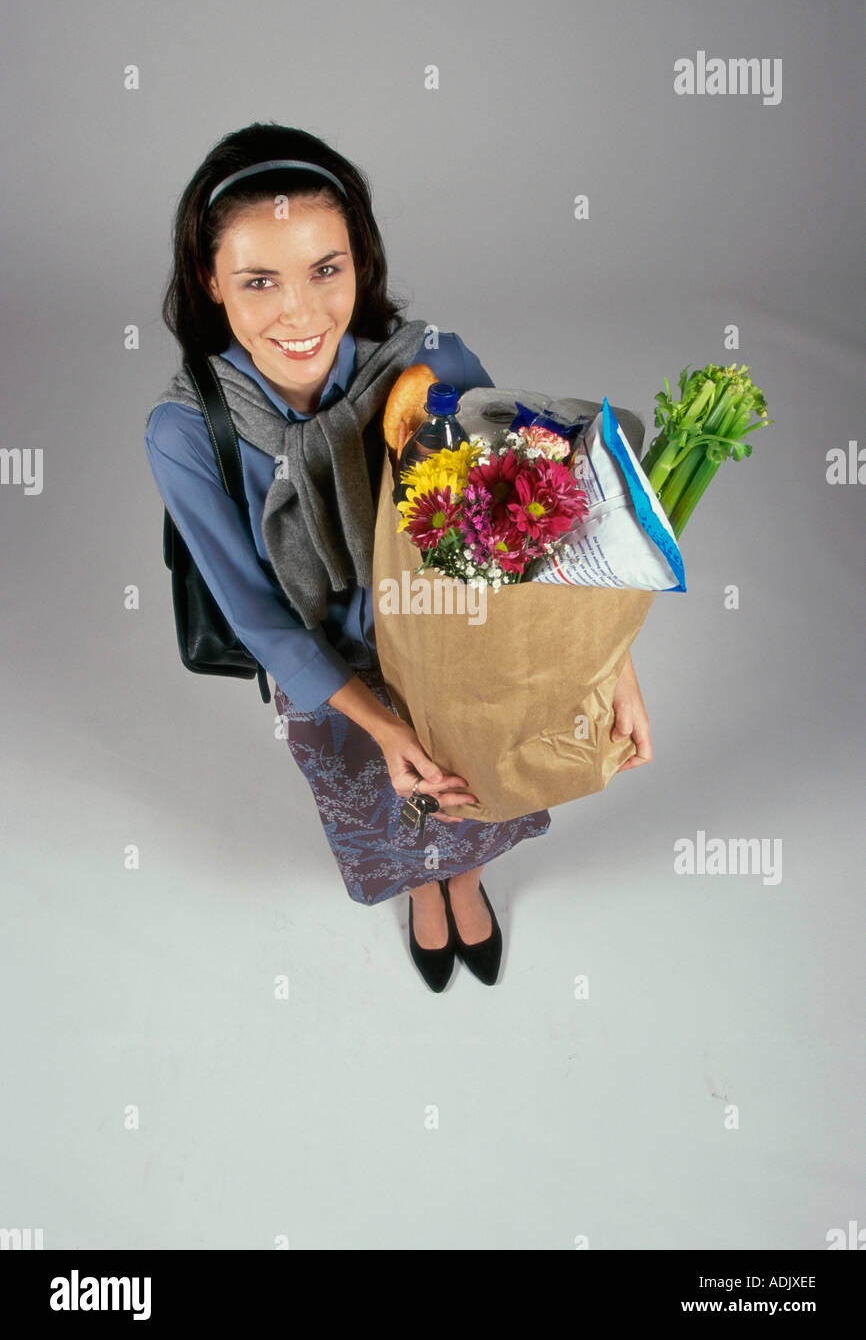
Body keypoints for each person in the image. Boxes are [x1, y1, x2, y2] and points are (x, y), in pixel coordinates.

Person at [145, 122, 651, 993]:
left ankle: (466, 877)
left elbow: (538, 526)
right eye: (258, 280)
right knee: (395, 798)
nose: (299, 314)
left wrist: (615, 670)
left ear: (359, 263)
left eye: (325, 270)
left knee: (481, 790)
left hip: (469, 644)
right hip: (332, 674)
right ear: (209, 280)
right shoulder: (189, 430)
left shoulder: (433, 364)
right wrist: (382, 728)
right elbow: (256, 613)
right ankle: (424, 886)